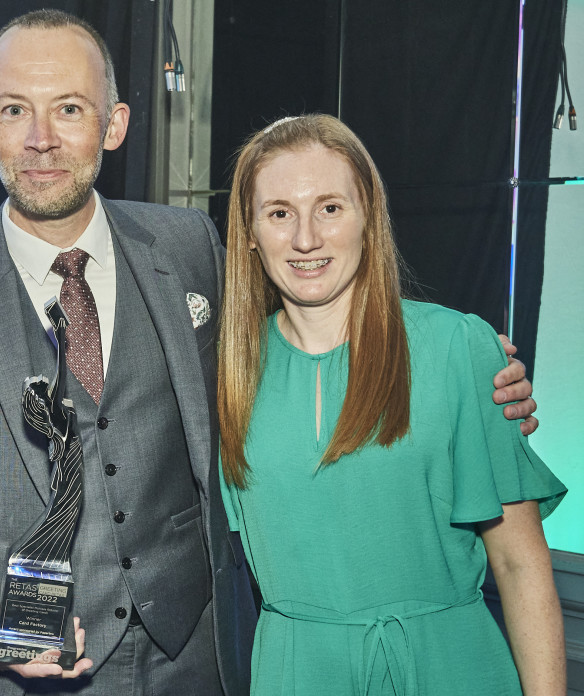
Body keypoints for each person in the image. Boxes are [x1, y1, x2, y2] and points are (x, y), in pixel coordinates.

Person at [0, 10, 539, 696]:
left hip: (200, 666)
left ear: (115, 123)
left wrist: (459, 372)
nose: (41, 139)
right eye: (16, 110)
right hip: (16, 678)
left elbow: (304, 334)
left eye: (69, 108)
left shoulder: (189, 249)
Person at [218, 114, 566, 695]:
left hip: (454, 670)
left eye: (331, 207)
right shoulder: (224, 374)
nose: (306, 238)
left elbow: (519, 565)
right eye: (279, 213)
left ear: (367, 218)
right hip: (300, 675)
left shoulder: (458, 348)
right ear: (250, 231)